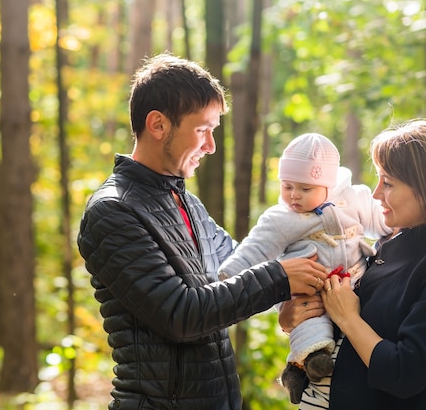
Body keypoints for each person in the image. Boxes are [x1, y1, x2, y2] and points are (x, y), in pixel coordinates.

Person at [76, 53, 328, 410]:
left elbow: (239, 267)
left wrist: (286, 306)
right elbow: (180, 315)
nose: (210, 146)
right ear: (158, 124)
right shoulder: (113, 211)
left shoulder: (187, 202)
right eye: (202, 130)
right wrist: (279, 281)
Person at [279, 119, 426, 409]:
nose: (376, 193)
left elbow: (404, 372)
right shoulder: (389, 244)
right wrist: (295, 316)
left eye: (388, 182)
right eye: (378, 179)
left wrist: (348, 318)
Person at [218, 133, 391, 403]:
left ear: (328, 186)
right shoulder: (281, 218)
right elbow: (256, 247)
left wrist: (392, 226)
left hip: (355, 283)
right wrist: (229, 274)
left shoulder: (354, 199)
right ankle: (308, 363)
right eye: (287, 186)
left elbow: (381, 221)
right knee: (309, 321)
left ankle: (300, 369)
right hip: (311, 290)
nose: (294, 196)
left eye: (305, 188)